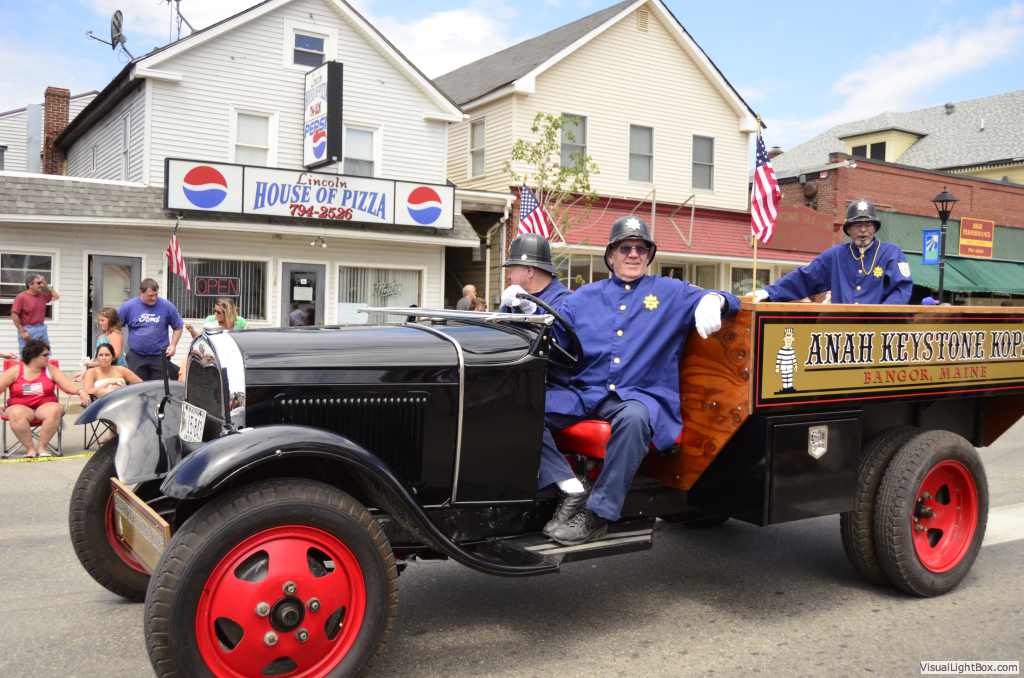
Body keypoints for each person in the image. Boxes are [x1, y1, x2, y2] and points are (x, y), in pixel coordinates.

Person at [538, 216, 740, 545]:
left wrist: (715, 300)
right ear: (611, 255)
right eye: (625, 248)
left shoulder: (670, 292)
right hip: (587, 393)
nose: (633, 254)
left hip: (638, 396)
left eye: (641, 248)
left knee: (634, 420)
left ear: (649, 255)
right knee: (525, 410)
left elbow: (727, 298)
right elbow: (554, 340)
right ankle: (570, 487)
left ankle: (598, 514)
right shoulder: (583, 298)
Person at [751, 199, 912, 305]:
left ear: (875, 228)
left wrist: (881, 315)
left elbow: (902, 289)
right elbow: (805, 277)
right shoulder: (836, 255)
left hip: (877, 332)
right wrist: (768, 292)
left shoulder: (891, 253)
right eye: (857, 225)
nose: (863, 230)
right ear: (848, 229)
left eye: (868, 225)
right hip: (840, 331)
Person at [0, 339, 80, 457]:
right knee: (16, 413)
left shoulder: (50, 369)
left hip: (45, 407)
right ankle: (30, 449)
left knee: (54, 410)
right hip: (19, 407)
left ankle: (42, 447)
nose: (48, 357)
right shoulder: (15, 371)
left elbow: (67, 386)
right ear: (33, 356)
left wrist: (80, 391)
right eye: (45, 355)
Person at [117, 278, 184, 381]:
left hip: (159, 356)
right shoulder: (128, 307)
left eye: (156, 295)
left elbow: (178, 326)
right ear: (141, 293)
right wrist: (119, 349)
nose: (154, 298)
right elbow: (116, 327)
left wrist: (173, 345)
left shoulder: (167, 306)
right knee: (137, 386)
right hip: (136, 356)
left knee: (160, 386)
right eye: (150, 296)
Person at [498, 233, 571, 315]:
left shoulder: (564, 301)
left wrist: (532, 311)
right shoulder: (516, 299)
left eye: (511, 271)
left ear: (529, 271)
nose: (508, 277)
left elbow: (558, 322)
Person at [11, 274, 59, 351]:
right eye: (38, 283)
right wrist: (22, 331)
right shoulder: (21, 297)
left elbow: (56, 296)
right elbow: (14, 314)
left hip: (41, 328)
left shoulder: (42, 296)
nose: (41, 285)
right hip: (28, 329)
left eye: (42, 283)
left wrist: (46, 285)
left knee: (45, 353)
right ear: (30, 285)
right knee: (28, 354)